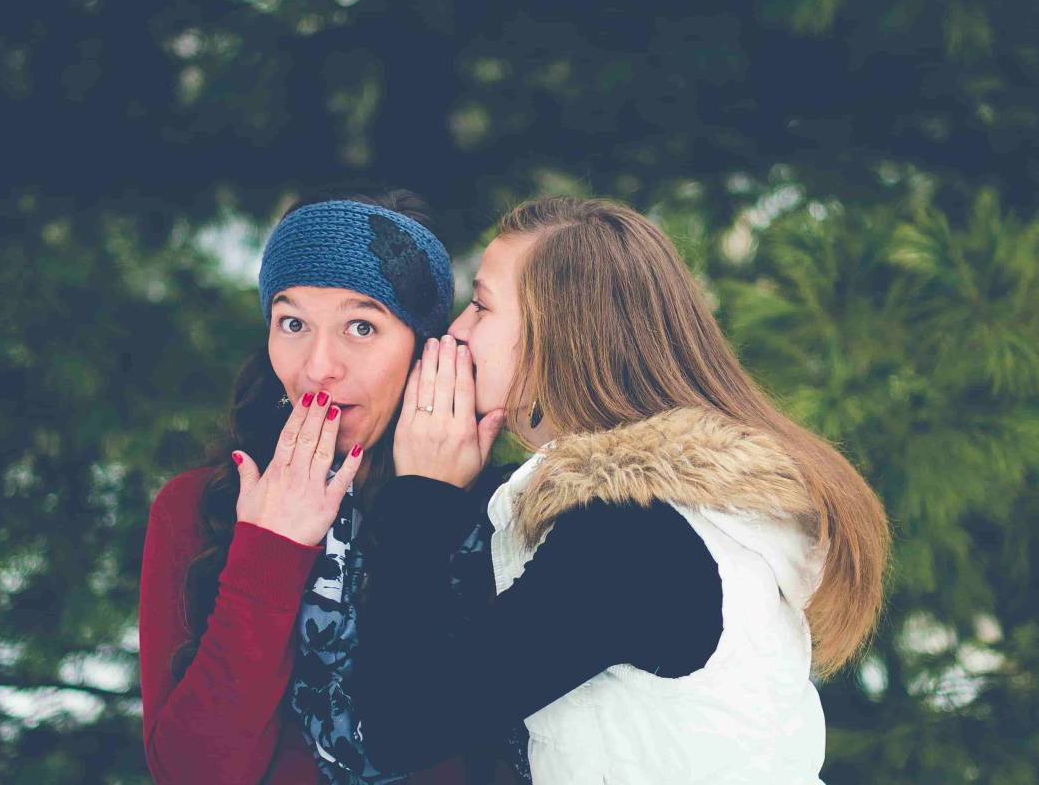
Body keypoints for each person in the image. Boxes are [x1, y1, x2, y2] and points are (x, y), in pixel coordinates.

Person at [344, 196, 892, 783]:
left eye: (480, 306)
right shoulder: (679, 515)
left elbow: (399, 728)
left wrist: (423, 500)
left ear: (558, 336)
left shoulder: (629, 539)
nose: (456, 331)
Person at [138, 190, 505, 784]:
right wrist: (268, 552)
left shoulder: (498, 510)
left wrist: (428, 508)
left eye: (362, 326)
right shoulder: (197, 507)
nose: (317, 367)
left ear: (423, 348)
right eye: (293, 323)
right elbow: (193, 772)